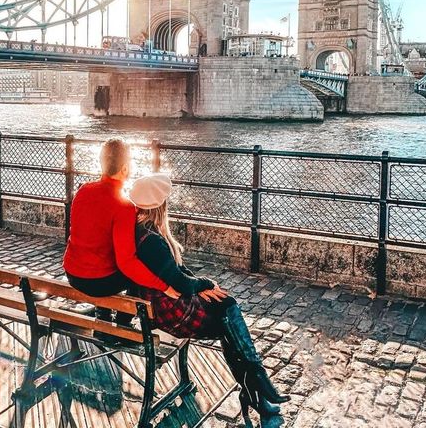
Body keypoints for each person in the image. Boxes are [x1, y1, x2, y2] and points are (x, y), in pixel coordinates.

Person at [128, 173, 291, 422]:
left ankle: (257, 390)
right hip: (171, 314)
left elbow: (174, 272)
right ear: (160, 206)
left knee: (227, 316)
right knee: (229, 313)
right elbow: (179, 282)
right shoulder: (152, 242)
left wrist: (200, 285)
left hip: (157, 309)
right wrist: (207, 283)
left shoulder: (138, 232)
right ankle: (257, 386)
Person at [63, 139, 178, 319]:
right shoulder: (124, 207)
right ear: (124, 169)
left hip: (72, 273)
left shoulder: (83, 190)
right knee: (140, 266)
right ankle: (124, 323)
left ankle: (103, 315)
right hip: (97, 283)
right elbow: (127, 263)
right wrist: (164, 286)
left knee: (108, 263)